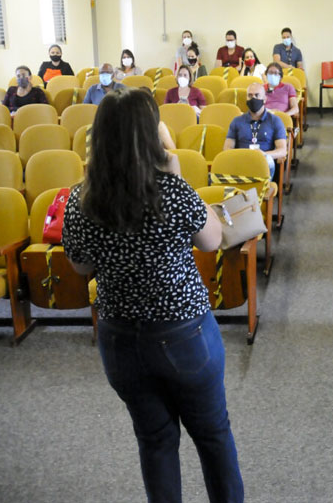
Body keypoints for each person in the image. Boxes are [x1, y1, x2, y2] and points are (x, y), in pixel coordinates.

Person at [62, 87, 243, 502]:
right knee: (213, 435)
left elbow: (80, 266)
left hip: (119, 337)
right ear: (151, 136)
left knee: (155, 440)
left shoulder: (81, 199)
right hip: (183, 335)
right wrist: (178, 176)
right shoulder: (172, 191)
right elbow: (213, 240)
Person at [225, 82, 288, 178]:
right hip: (241, 163)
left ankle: (252, 192)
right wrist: (242, 156)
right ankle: (244, 191)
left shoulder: (274, 121)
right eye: (250, 95)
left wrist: (264, 155)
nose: (253, 98)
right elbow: (227, 149)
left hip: (264, 164)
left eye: (257, 95)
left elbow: (283, 150)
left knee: (267, 162)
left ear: (264, 99)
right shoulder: (237, 121)